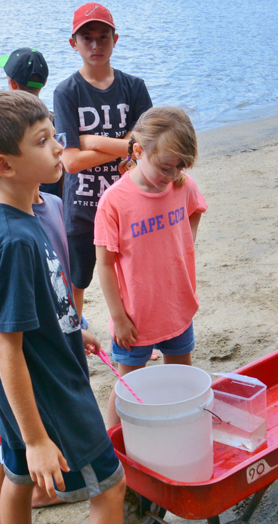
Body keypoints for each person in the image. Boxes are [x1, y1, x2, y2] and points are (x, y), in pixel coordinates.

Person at [0, 90, 126, 523]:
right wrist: (36, 439)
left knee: (18, 476)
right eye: (42, 140)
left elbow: (32, 302)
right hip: (47, 390)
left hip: (20, 388)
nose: (56, 147)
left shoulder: (3, 216)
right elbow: (6, 345)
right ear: (5, 165)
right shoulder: (14, 241)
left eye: (54, 134)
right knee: (109, 484)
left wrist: (70, 326)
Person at [94, 107, 206, 428]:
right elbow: (104, 264)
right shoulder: (114, 201)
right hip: (135, 315)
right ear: (139, 151)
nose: (171, 175)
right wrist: (118, 317)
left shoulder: (183, 185)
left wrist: (184, 245)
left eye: (180, 166)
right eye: (165, 167)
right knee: (128, 385)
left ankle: (180, 426)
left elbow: (196, 209)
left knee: (182, 374)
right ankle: (112, 446)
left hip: (177, 305)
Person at [52, 3, 152, 315]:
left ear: (115, 39)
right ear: (74, 44)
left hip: (127, 202)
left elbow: (145, 148)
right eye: (87, 39)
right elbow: (70, 163)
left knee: (129, 273)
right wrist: (123, 145)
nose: (96, 46)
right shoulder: (67, 92)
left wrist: (90, 140)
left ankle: (134, 331)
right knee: (77, 280)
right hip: (82, 206)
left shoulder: (133, 87)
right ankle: (74, 337)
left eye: (103, 37)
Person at [0, 47, 63, 200]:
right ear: (44, 82)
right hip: (52, 197)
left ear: (12, 84)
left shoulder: (4, 122)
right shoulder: (53, 120)